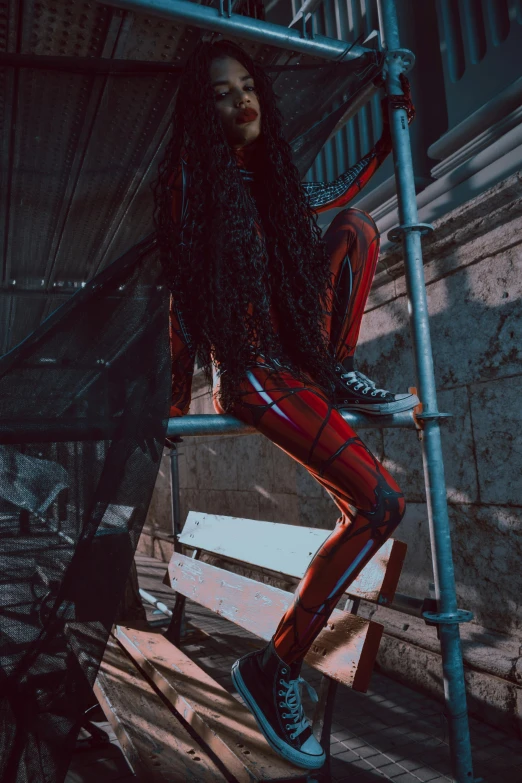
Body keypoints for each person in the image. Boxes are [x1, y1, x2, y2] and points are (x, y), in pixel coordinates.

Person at [152, 39, 415, 771]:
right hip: (250, 368)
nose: (243, 101)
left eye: (247, 87)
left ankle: (337, 369)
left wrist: (392, 100)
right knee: (381, 504)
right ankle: (273, 669)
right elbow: (178, 291)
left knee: (359, 228)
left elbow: (312, 260)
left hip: (297, 360)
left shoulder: (268, 180)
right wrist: (176, 397)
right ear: (200, 115)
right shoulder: (189, 184)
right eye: (221, 94)